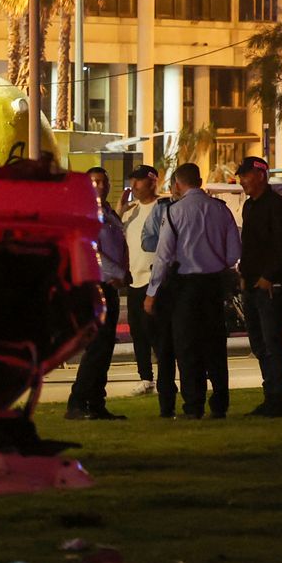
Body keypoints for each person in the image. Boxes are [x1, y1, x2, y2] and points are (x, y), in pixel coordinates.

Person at [146, 163, 241, 420]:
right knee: (215, 346)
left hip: (185, 286)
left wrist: (152, 291)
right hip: (213, 285)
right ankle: (220, 404)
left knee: (187, 347)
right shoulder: (221, 210)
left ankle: (194, 405)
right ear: (199, 180)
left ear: (178, 184)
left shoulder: (175, 212)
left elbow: (164, 256)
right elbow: (233, 253)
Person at [67, 168, 130, 421]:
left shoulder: (110, 214)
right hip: (96, 285)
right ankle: (78, 403)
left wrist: (124, 273)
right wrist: (119, 273)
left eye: (104, 181)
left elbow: (120, 247)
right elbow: (92, 251)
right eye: (95, 181)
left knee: (104, 349)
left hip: (112, 285)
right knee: (95, 348)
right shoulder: (85, 213)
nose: (101, 185)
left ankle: (96, 402)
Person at [236, 156, 282, 416]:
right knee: (259, 343)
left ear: (261, 175)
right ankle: (270, 395)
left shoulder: (278, 206)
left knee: (271, 341)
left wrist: (268, 277)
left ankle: (280, 398)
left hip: (271, 285)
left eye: (246, 175)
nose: (242, 181)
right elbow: (249, 245)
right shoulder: (249, 206)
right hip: (252, 283)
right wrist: (244, 273)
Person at [120, 165, 161, 397]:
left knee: (157, 332)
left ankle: (165, 376)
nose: (134, 186)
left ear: (153, 181)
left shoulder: (163, 208)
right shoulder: (130, 211)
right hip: (133, 279)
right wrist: (120, 210)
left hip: (154, 280)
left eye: (139, 181)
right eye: (132, 181)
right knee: (138, 333)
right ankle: (146, 378)